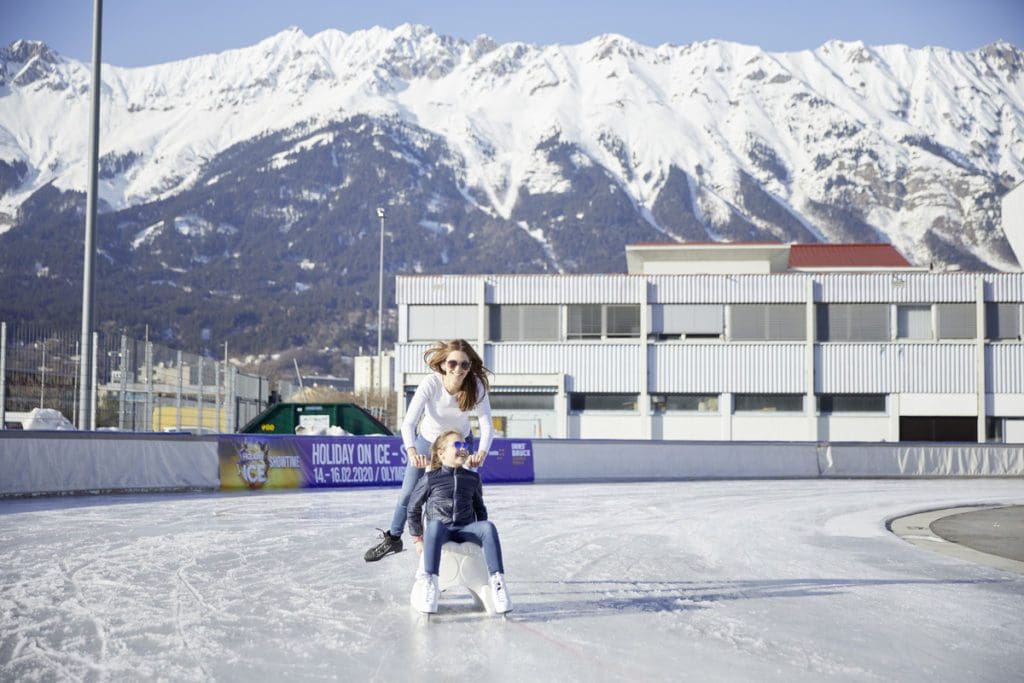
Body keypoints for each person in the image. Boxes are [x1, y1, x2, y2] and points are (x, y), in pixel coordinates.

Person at [363, 339, 494, 562]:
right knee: (409, 493)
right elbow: (408, 424)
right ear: (444, 364)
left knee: (464, 491)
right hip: (429, 441)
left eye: (464, 365)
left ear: (470, 367)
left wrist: (481, 452)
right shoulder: (431, 384)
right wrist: (413, 451)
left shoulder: (476, 386)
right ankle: (394, 538)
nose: (458, 370)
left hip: (459, 442)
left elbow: (487, 425)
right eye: (453, 363)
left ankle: (467, 539)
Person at [407, 430, 511, 615]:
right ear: (441, 453)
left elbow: (480, 509)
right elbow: (413, 508)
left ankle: (498, 583)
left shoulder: (472, 478)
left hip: (466, 529)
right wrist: (418, 539)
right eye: (457, 445)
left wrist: (481, 537)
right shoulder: (430, 479)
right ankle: (430, 582)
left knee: (488, 527)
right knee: (434, 525)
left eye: (464, 445)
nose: (463, 449)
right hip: (442, 531)